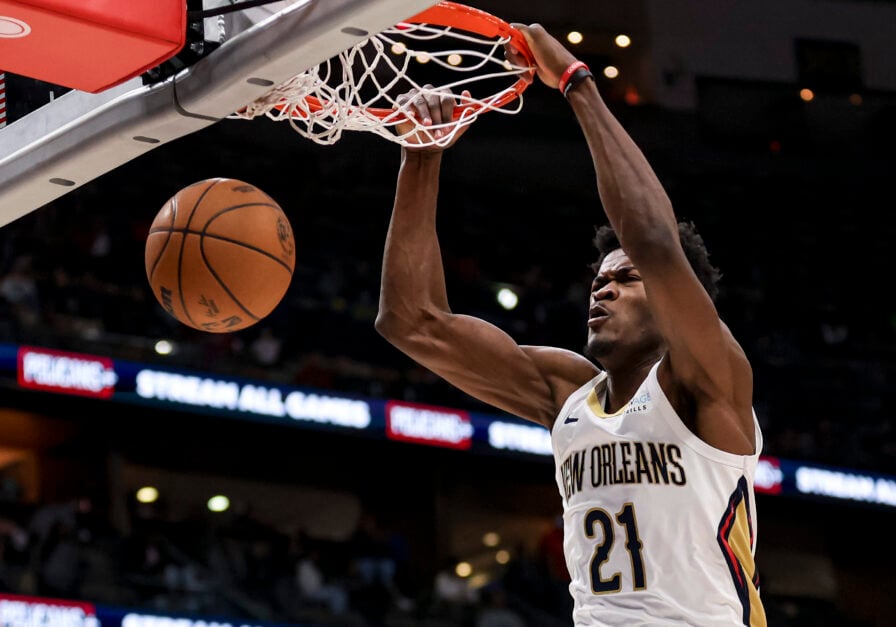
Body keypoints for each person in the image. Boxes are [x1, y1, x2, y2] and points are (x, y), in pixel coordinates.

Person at [375, 22, 766, 627]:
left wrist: (575, 83)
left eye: (626, 279)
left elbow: (654, 240)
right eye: (598, 281)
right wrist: (422, 154)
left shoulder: (708, 379)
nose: (603, 288)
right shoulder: (568, 395)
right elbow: (412, 322)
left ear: (672, 301)